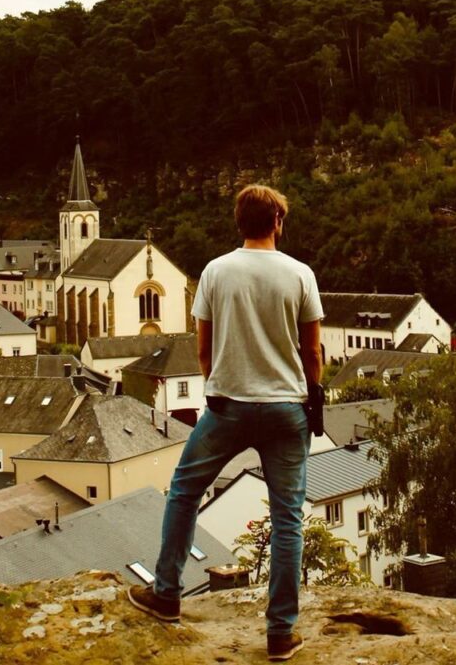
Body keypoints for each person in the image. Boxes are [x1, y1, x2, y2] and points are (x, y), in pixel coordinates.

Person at [127, 184, 324, 662]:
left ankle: (167, 594)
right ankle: (280, 633)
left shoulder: (216, 271)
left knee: (185, 492)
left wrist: (213, 384)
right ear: (277, 221)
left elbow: (203, 345)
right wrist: (312, 398)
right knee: (287, 519)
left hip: (228, 406)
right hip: (286, 409)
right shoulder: (300, 275)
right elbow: (312, 351)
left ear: (240, 222)